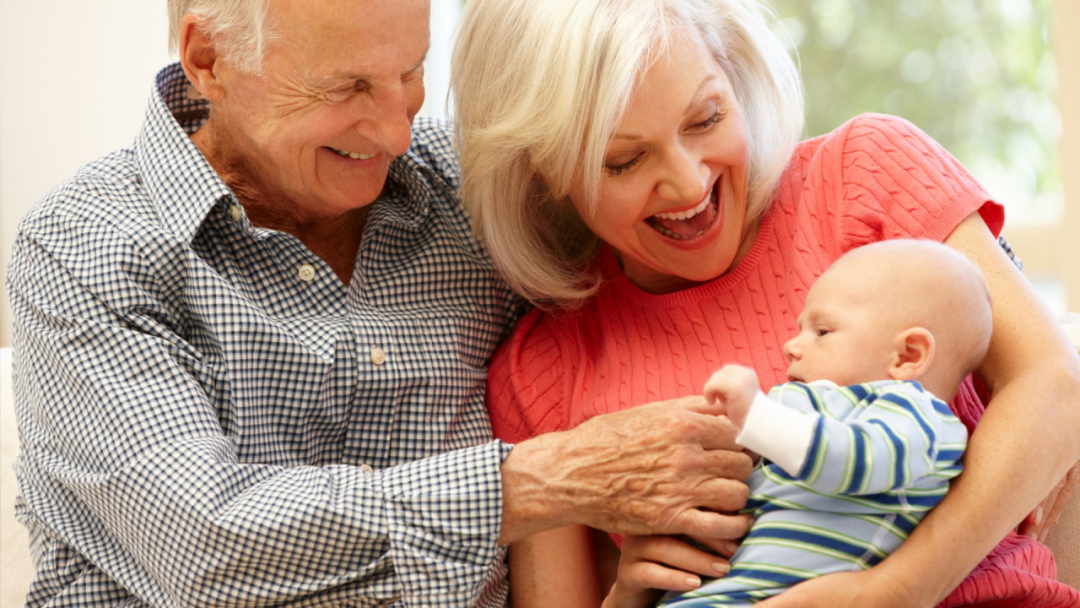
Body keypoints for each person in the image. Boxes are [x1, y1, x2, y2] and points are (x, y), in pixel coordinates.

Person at [6, 1, 760, 606]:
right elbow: (207, 544)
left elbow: (669, 241)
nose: (398, 128)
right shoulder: (85, 249)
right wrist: (554, 478)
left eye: (412, 71)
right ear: (209, 60)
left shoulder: (467, 193)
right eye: (349, 88)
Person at [452, 0, 1080, 606]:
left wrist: (896, 590)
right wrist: (630, 596)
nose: (691, 181)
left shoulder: (863, 174)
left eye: (705, 118)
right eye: (624, 160)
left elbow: (1053, 385)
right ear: (545, 171)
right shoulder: (539, 373)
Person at [660, 239, 990, 607]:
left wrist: (757, 417)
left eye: (822, 331)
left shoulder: (920, 420)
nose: (790, 346)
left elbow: (849, 460)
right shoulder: (806, 406)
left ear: (907, 355)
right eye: (800, 328)